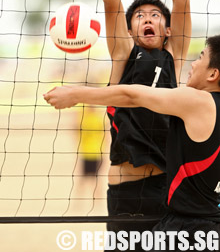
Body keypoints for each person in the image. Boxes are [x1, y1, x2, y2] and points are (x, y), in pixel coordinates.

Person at [63, 0, 191, 240]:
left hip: (168, 188)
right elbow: (112, 2)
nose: (147, 18)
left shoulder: (173, 55)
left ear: (169, 30)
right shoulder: (124, 53)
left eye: (155, 14)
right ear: (131, 30)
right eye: (140, 15)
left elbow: (183, 2)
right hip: (126, 192)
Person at [45, 35, 220, 251]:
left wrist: (74, 93)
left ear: (213, 74)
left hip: (188, 229)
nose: (193, 62)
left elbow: (132, 95)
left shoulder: (200, 102)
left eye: (201, 57)